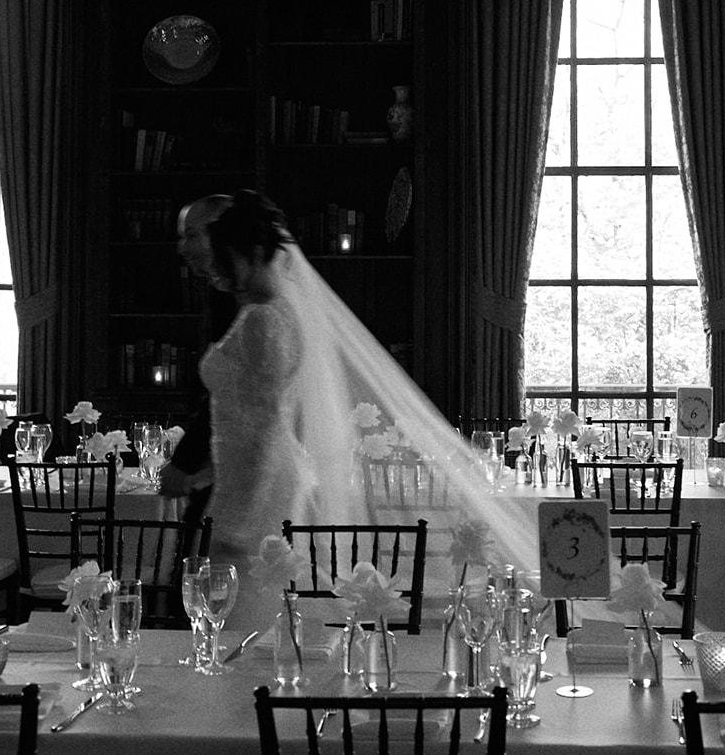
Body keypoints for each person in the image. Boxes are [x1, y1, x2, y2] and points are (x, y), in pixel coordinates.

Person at [198, 190, 538, 637]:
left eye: (230, 260)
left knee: (250, 600)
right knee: (257, 602)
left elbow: (261, 425)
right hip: (254, 468)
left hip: (256, 477)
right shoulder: (275, 313)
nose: (223, 274)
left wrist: (238, 520)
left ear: (257, 252)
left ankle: (252, 688)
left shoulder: (265, 319)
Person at [157, 194, 236, 532]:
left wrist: (185, 463)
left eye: (191, 235)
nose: (181, 247)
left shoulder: (246, 302)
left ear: (221, 235)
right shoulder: (222, 290)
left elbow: (227, 392)